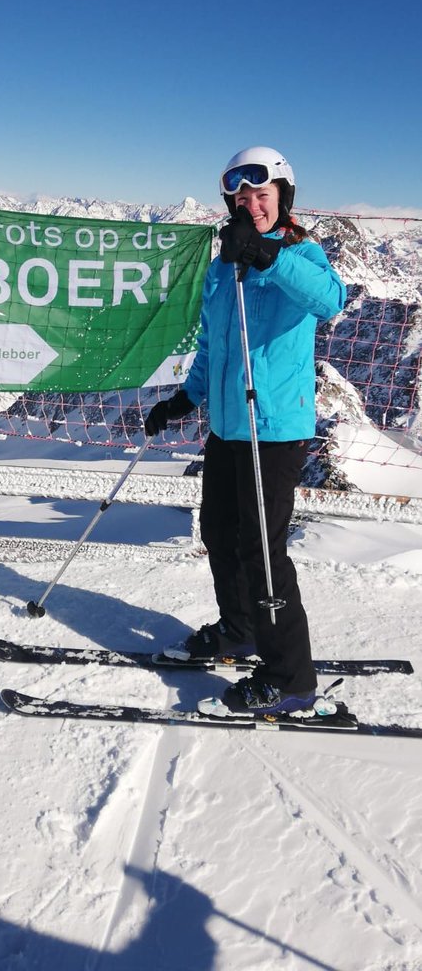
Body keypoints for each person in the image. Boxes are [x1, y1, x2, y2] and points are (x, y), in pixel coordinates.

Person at [144, 146, 346, 717]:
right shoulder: (221, 266)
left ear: (283, 197)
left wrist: (264, 254)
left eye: (262, 194)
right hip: (229, 427)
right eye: (241, 196)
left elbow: (330, 301)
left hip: (275, 429)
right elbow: (214, 344)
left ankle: (291, 678)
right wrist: (187, 397)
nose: (251, 204)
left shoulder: (301, 253)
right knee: (219, 531)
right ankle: (240, 628)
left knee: (262, 550)